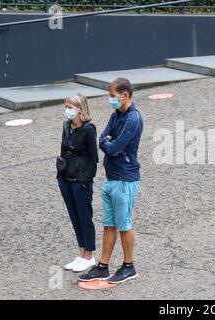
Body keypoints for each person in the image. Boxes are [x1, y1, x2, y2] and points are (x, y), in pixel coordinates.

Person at [79, 78, 143, 283]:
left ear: (124, 95)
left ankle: (129, 266)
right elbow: (102, 137)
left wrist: (107, 143)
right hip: (111, 178)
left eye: (113, 96)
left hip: (125, 180)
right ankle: (103, 267)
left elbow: (113, 147)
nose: (110, 100)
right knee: (109, 224)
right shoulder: (116, 115)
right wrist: (106, 142)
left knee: (124, 225)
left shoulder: (133, 119)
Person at [57, 94, 98, 272]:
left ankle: (89, 255)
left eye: (70, 107)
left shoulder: (89, 129)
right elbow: (63, 149)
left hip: (80, 180)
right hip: (65, 177)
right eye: (66, 106)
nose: (67, 110)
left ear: (80, 109)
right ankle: (81, 253)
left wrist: (85, 180)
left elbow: (93, 158)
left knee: (84, 217)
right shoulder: (67, 126)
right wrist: (60, 174)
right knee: (74, 217)